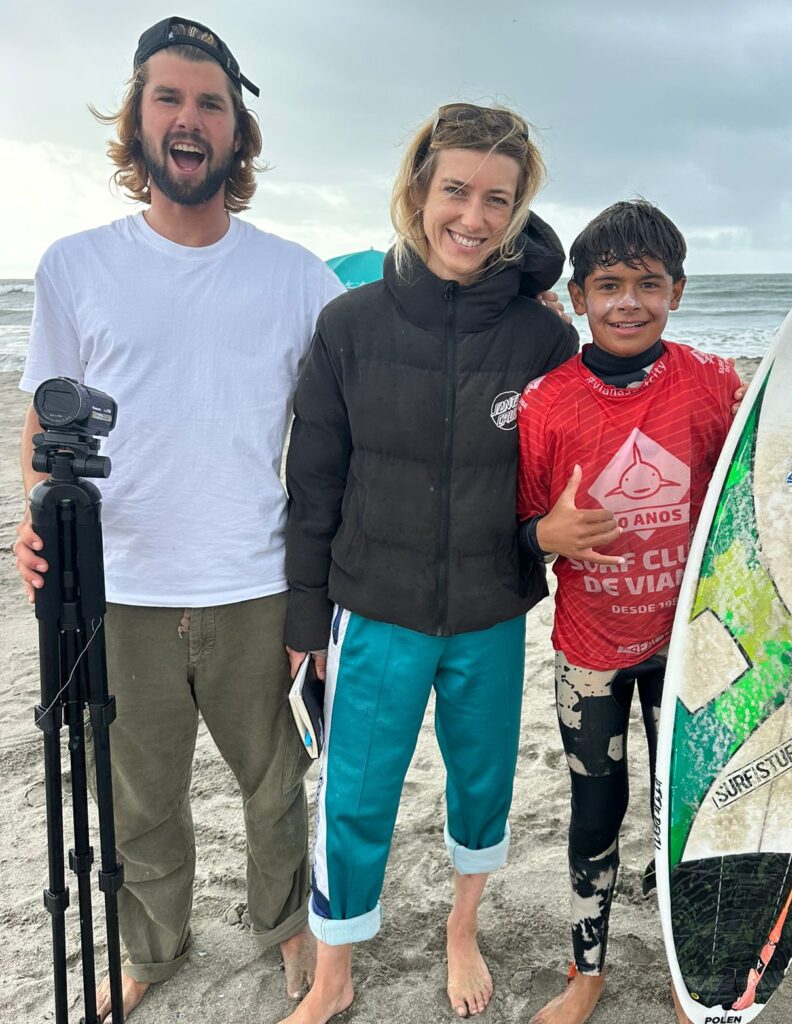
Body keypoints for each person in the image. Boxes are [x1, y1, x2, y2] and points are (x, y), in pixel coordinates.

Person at [516, 199, 792, 1024]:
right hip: (594, 648)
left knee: (692, 800)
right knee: (596, 809)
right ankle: (587, 974)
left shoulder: (714, 384)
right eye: (607, 286)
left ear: (677, 290)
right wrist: (546, 532)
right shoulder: (546, 404)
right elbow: (515, 530)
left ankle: (697, 951)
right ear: (578, 298)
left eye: (648, 284)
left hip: (705, 644)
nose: (628, 302)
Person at [13, 18, 345, 1021]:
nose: (190, 119)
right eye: (170, 99)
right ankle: (153, 942)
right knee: (139, 797)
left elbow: (378, 367)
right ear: (138, 119)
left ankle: (287, 927)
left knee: (275, 783)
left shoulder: (294, 275)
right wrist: (34, 522)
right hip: (119, 589)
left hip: (256, 585)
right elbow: (41, 423)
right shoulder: (74, 265)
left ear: (237, 132)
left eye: (211, 103)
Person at [280, 103, 579, 1021]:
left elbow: (583, 461)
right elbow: (315, 480)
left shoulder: (543, 339)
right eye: (456, 190)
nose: (474, 217)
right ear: (418, 190)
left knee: (483, 780)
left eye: (500, 198)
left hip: (492, 609)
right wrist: (304, 621)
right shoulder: (349, 324)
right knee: (356, 794)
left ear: (520, 209)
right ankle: (334, 976)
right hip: (374, 605)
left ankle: (462, 928)